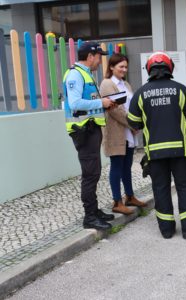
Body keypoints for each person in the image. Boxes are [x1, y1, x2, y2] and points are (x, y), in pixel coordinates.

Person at [127, 51, 186, 240]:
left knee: (160, 189)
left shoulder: (140, 94)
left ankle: (167, 230)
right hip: (180, 151)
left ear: (149, 69)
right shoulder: (180, 89)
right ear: (170, 67)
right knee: (185, 187)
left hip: (155, 154)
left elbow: (133, 122)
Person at [63, 41, 115, 230]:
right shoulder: (76, 74)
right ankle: (90, 216)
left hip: (90, 128)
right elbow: (76, 103)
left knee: (94, 172)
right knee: (90, 174)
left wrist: (105, 103)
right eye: (99, 56)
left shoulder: (85, 74)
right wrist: (101, 102)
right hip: (83, 130)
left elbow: (89, 101)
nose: (100, 61)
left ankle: (94, 211)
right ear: (90, 56)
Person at [99, 53, 147, 215]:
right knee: (117, 167)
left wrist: (136, 122)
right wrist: (132, 123)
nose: (124, 70)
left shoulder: (125, 84)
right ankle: (117, 201)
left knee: (127, 166)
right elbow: (114, 109)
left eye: (126, 67)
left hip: (128, 132)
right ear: (111, 67)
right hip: (116, 132)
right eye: (121, 67)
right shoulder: (107, 84)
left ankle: (130, 196)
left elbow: (131, 105)